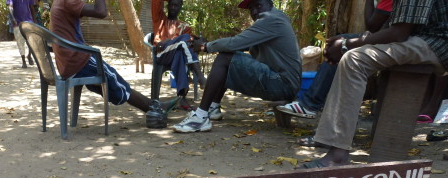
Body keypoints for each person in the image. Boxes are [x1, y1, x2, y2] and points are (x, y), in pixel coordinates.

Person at [299, 0, 448, 168]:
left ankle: (337, 155)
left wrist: (346, 45)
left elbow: (399, 33)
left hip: (445, 42)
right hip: (427, 38)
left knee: (354, 59)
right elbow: (376, 26)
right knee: (349, 46)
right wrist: (347, 42)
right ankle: (331, 138)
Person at [172, 0, 301, 133]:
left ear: (270, 4)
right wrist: (210, 44)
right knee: (228, 55)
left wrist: (206, 46)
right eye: (251, 8)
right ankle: (212, 107)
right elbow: (241, 44)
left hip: (282, 84)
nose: (254, 11)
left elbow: (236, 42)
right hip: (283, 81)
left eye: (258, 5)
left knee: (224, 58)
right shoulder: (276, 18)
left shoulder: (271, 20)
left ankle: (200, 117)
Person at [50, 0, 179, 123]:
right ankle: (154, 107)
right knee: (115, 80)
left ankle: (152, 106)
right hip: (77, 61)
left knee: (112, 81)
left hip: (69, 62)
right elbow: (100, 12)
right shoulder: (68, 1)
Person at [277, 0, 393, 120]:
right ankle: (313, 102)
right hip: (381, 38)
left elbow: (373, 26)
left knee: (339, 47)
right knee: (335, 44)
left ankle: (311, 104)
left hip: (388, 42)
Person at [151, 0, 206, 109]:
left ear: (181, 7)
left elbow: (191, 44)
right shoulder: (160, 19)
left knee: (181, 54)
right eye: (170, 4)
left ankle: (181, 97)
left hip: (175, 55)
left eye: (176, 5)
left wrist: (199, 41)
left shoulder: (185, 27)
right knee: (184, 40)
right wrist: (166, 42)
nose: (172, 7)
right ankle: (199, 76)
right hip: (161, 54)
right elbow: (156, 2)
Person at [7, 0, 36, 68]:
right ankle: (23, 61)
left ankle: (29, 55)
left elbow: (32, 7)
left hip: (29, 22)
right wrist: (13, 18)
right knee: (20, 42)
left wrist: (34, 21)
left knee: (32, 41)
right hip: (18, 23)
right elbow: (10, 7)